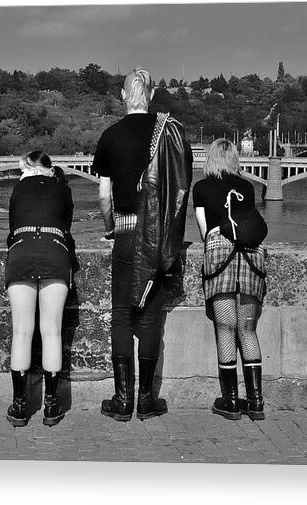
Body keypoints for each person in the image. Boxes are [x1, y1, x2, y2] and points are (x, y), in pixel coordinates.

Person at [93, 67, 193, 422]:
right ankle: (147, 401)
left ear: (123, 96)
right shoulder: (167, 133)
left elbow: (104, 196)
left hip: (124, 233)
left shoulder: (109, 137)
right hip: (156, 240)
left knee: (121, 315)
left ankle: (122, 401)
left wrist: (111, 229)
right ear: (151, 95)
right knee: (150, 319)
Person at [192, 138, 268, 421]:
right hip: (251, 255)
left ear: (210, 159)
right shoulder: (247, 187)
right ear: (235, 159)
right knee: (247, 329)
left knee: (226, 328)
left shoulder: (201, 188)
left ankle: (231, 400)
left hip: (219, 253)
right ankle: (256, 401)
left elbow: (204, 232)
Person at [4, 151, 75, 427]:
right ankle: (51, 405)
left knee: (22, 330)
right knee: (52, 331)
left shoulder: (19, 188)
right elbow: (66, 228)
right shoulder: (64, 190)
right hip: (55, 252)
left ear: (31, 168)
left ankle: (20, 405)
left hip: (21, 251)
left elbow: (12, 226)